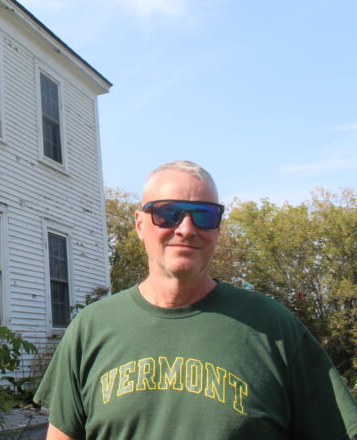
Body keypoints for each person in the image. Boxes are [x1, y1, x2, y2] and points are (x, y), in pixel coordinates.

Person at [34, 160, 357, 440]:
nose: (186, 229)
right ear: (139, 224)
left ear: (217, 228)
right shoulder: (90, 328)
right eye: (168, 213)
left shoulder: (273, 327)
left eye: (204, 215)